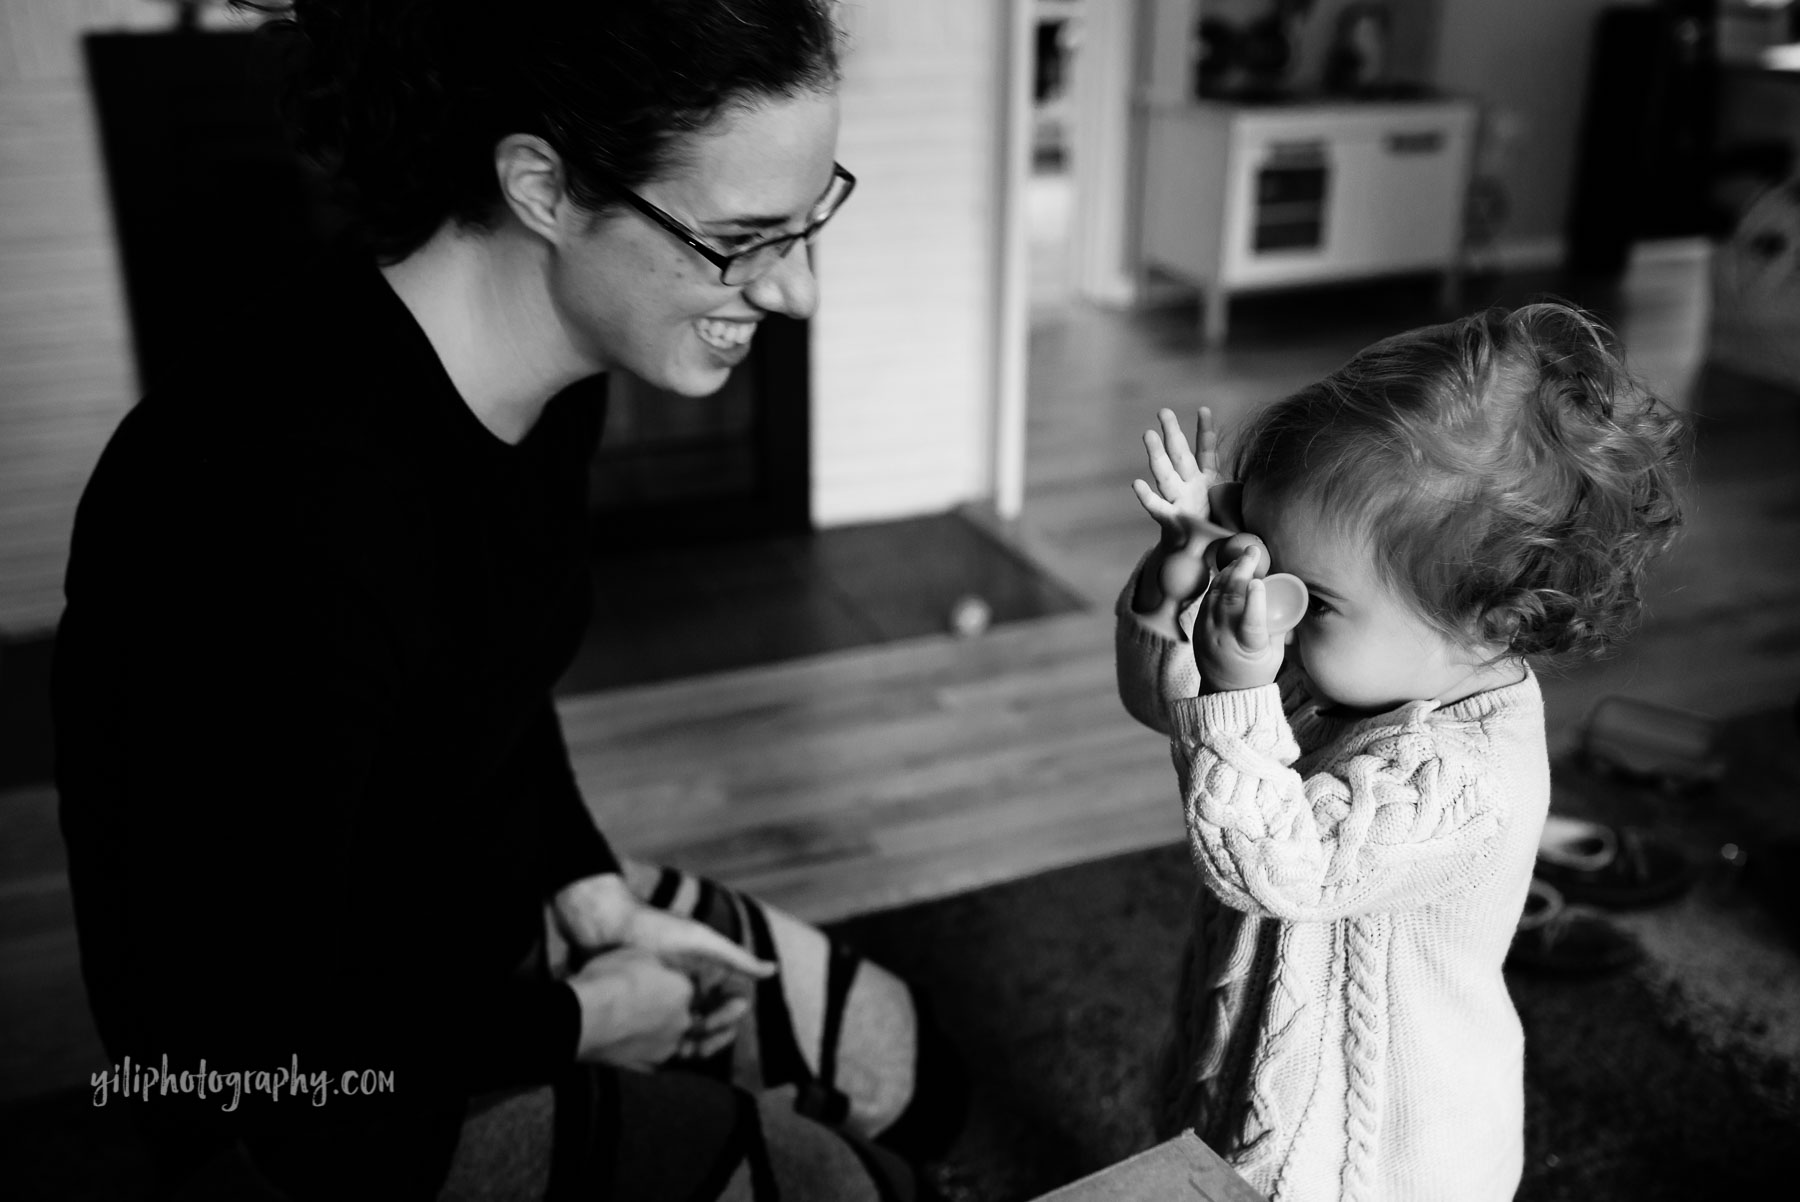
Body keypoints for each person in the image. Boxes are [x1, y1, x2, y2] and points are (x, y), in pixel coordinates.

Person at [53, 2, 958, 1198]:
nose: (795, 295)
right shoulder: (264, 512)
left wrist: (588, 888)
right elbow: (230, 1043)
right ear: (542, 186)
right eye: (742, 240)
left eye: (806, 226)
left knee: (907, 1068)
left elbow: (490, 684)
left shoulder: (552, 370)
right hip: (312, 1103)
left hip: (483, 926)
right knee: (852, 1188)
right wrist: (575, 1022)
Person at [1113, 302, 1688, 1200]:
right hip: (1255, 1074)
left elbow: (1272, 864)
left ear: (1490, 620)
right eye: (1259, 559)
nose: (1270, 610)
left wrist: (1236, 688)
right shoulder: (1355, 665)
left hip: (1375, 1159)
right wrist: (1174, 578)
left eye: (1313, 597)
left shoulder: (1461, 780)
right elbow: (1165, 707)